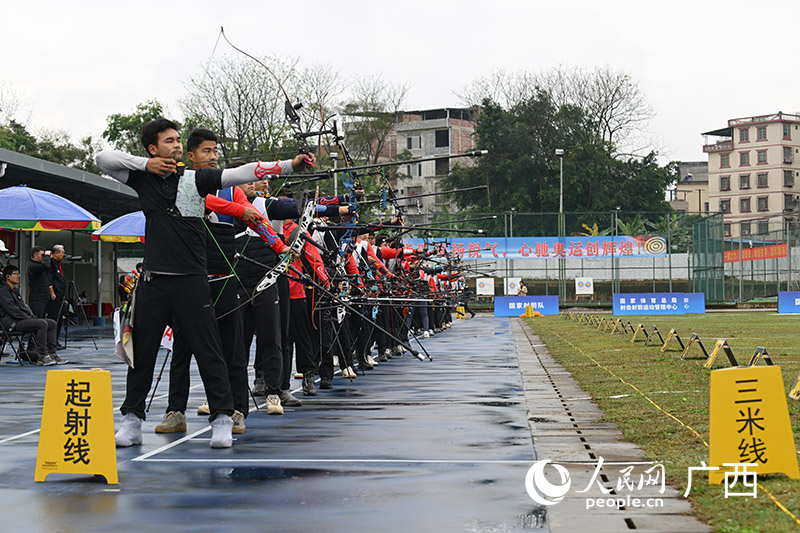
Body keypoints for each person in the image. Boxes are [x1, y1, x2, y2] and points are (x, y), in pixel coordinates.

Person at [96, 118, 313, 449]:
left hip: (192, 281)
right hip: (154, 280)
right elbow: (103, 159)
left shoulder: (195, 179)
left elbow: (240, 173)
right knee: (141, 353)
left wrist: (289, 164)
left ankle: (223, 418)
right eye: (169, 141)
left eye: (178, 141)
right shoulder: (142, 178)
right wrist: (146, 164)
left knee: (210, 350)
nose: (177, 146)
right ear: (153, 148)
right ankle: (132, 420)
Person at [0, 265, 60, 366]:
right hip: (11, 323)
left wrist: (31, 317)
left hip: (21, 320)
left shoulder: (15, 291)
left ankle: (52, 353)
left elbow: (23, 307)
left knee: (52, 323)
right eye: (15, 274)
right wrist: (28, 318)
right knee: (41, 324)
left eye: (18, 274)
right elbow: (12, 310)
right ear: (8, 276)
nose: (18, 276)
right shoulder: (3, 291)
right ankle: (43, 356)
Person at [46, 244, 67, 346]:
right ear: (56, 253)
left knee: (59, 320)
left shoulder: (59, 264)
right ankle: (51, 341)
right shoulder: (51, 264)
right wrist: (52, 293)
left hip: (61, 296)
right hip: (55, 297)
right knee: (53, 319)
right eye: (62, 253)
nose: (63, 255)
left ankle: (55, 340)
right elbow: (49, 279)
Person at [27, 246, 52, 319]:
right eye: (42, 255)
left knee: (44, 321)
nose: (43, 257)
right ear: (35, 255)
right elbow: (45, 265)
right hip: (37, 299)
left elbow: (49, 268)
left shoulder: (42, 266)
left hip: (44, 298)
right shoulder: (32, 266)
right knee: (37, 320)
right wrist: (47, 256)